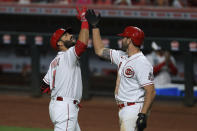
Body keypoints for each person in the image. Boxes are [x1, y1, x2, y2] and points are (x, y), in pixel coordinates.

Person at [85, 9, 156, 131]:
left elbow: (151, 91)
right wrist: (95, 27)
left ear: (130, 40)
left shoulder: (141, 62)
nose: (121, 40)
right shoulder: (122, 56)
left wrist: (143, 114)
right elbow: (99, 50)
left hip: (134, 109)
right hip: (125, 109)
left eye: (124, 37)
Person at [40, 7, 89, 131]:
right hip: (65, 107)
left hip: (59, 106)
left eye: (69, 33)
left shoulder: (54, 62)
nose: (71, 36)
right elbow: (82, 45)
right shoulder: (68, 55)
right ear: (59, 43)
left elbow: (44, 86)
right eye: (66, 35)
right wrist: (84, 20)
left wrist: (61, 91)